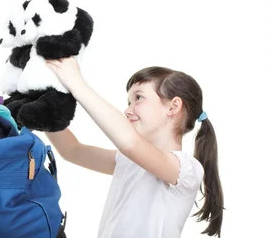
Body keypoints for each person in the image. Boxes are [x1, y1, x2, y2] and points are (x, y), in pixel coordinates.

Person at [45, 58, 224, 237]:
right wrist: (40, 112)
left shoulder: (186, 169)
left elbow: (130, 144)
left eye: (138, 98)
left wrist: (77, 83)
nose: (128, 110)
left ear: (173, 106)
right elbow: (73, 151)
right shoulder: (127, 161)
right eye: (129, 102)